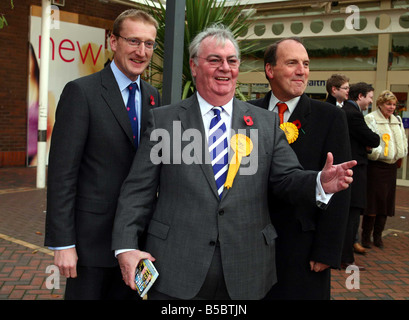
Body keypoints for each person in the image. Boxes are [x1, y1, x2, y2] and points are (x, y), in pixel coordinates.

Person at [111, 26, 356, 300]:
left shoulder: (264, 123)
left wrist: (318, 183)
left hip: (246, 271)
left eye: (232, 61)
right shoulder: (165, 122)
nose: (224, 68)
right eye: (214, 60)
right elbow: (137, 192)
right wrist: (125, 247)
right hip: (176, 270)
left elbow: (287, 178)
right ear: (194, 66)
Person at [44, 9, 161, 300]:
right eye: (133, 41)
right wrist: (62, 243)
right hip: (90, 245)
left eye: (149, 43)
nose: (141, 51)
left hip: (135, 242)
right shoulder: (81, 93)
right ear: (112, 41)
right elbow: (62, 173)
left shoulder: (153, 96)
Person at [249, 37, 352, 300]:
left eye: (305, 64)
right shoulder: (247, 113)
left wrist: (327, 250)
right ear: (270, 70)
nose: (302, 70)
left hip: (303, 249)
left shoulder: (329, 117)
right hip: (249, 245)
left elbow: (341, 187)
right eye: (292, 62)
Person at [340, 82, 380, 269]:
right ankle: (347, 259)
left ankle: (345, 256)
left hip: (350, 167)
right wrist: (368, 142)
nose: (370, 101)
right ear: (360, 96)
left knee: (349, 215)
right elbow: (373, 139)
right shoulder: (353, 114)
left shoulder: (346, 111)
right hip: (355, 169)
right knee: (352, 215)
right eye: (370, 97)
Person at [363, 90, 408, 248]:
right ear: (380, 104)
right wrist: (377, 153)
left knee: (386, 203)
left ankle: (378, 236)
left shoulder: (397, 119)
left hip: (391, 168)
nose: (392, 107)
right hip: (376, 167)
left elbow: (402, 138)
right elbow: (368, 141)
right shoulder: (371, 118)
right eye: (388, 104)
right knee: (373, 203)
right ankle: (366, 236)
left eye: (394, 104)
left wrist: (401, 152)